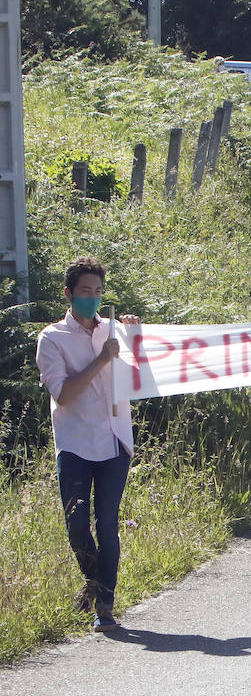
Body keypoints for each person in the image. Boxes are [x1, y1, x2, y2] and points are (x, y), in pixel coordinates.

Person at [36, 257, 143, 631]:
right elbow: (64, 394)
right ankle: (93, 580)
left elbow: (143, 373)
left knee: (107, 523)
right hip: (75, 443)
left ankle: (104, 606)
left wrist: (136, 335)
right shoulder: (52, 339)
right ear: (68, 293)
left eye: (98, 292)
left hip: (114, 441)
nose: (93, 298)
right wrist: (101, 360)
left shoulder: (115, 330)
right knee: (77, 526)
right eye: (85, 291)